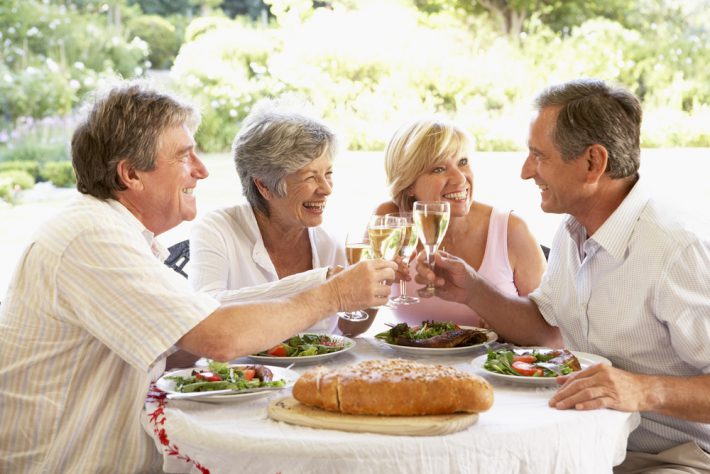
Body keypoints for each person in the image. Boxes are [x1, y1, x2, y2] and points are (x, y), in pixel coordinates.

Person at [0, 82, 396, 472]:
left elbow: (182, 344)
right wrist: (332, 295)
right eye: (185, 156)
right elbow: (217, 337)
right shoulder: (92, 237)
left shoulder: (117, 235)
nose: (203, 171)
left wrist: (329, 287)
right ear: (130, 174)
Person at [416, 78, 710, 472]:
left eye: (539, 156)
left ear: (593, 163)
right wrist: (473, 290)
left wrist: (643, 389)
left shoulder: (677, 248)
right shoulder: (573, 230)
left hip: (676, 459)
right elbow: (544, 326)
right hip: (588, 446)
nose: (525, 171)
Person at [189, 97, 373, 336]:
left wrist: (375, 292)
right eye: (310, 177)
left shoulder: (329, 243)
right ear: (265, 185)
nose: (326, 188)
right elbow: (204, 313)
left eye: (328, 173)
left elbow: (346, 328)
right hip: (242, 372)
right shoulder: (217, 230)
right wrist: (319, 282)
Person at [374, 115, 551, 332]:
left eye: (463, 162)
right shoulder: (391, 222)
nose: (460, 179)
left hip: (489, 363)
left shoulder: (510, 230)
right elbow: (351, 326)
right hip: (409, 365)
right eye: (439, 168)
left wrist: (504, 322)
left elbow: (551, 330)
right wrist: (371, 285)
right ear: (408, 184)